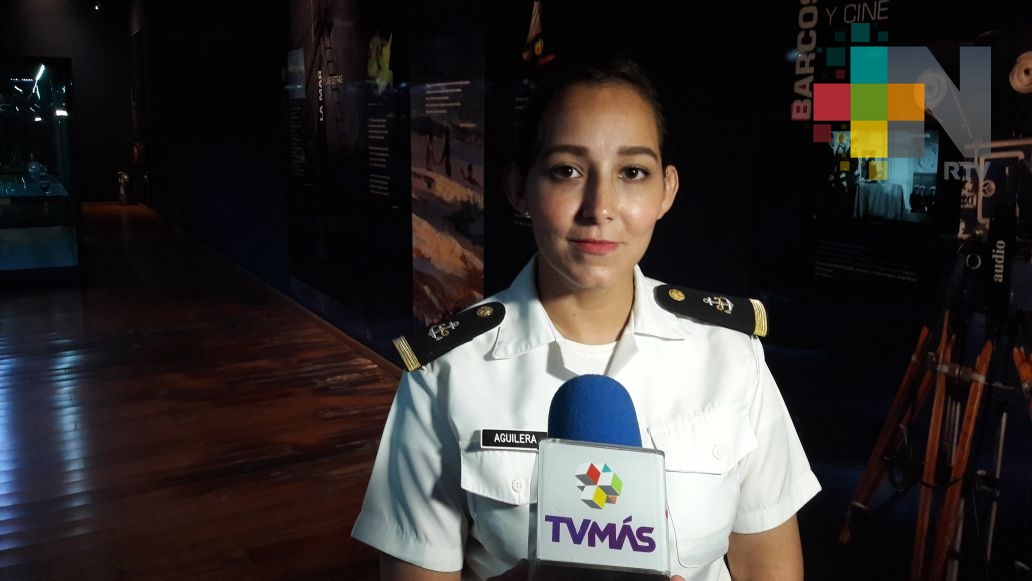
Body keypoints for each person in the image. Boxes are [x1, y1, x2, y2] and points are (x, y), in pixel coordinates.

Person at [351, 57, 821, 580]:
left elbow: (768, 564)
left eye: (632, 172)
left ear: (666, 190)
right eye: (567, 171)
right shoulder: (447, 372)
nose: (600, 207)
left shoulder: (729, 354)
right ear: (519, 188)